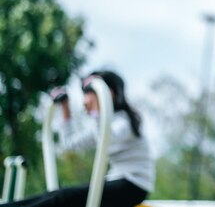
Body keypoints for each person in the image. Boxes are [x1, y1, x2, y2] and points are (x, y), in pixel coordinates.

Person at [6, 70, 155, 207]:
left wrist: (98, 108)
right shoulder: (102, 126)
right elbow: (69, 144)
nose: (84, 101)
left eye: (88, 93)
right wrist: (65, 108)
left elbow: (107, 138)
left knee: (64, 197)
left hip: (134, 185)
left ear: (107, 94)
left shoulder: (125, 121)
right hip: (116, 181)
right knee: (56, 195)